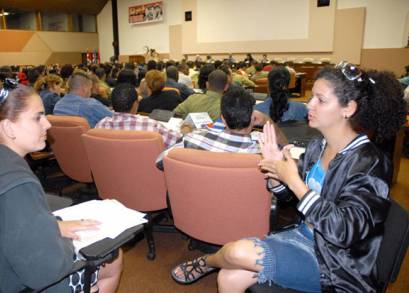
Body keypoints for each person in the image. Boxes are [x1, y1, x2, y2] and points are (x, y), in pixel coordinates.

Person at [170, 62, 407, 292]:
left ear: (349, 108)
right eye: (311, 97)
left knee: (235, 253)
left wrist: (293, 180)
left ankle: (206, 262)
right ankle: (213, 265)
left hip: (336, 264)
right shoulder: (318, 146)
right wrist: (275, 174)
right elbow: (292, 200)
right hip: (305, 237)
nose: (309, 105)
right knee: (229, 277)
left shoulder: (370, 162)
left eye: (320, 100)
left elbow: (344, 231)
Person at [0, 75, 123, 292]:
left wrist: (52, 226)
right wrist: (65, 243)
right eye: (37, 117)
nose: (47, 123)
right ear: (9, 128)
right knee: (113, 258)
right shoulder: (16, 183)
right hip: (17, 284)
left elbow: (6, 223)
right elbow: (47, 270)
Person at [157, 87, 260, 168]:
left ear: (222, 119)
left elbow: (160, 162)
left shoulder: (191, 139)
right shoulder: (263, 154)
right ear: (253, 117)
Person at [96, 84, 182, 148]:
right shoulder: (151, 125)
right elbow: (178, 141)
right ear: (135, 103)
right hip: (147, 171)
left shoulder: (101, 125)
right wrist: (184, 131)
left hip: (110, 171)